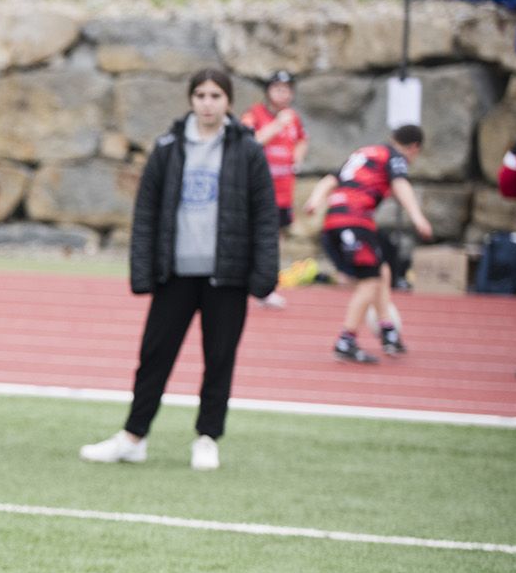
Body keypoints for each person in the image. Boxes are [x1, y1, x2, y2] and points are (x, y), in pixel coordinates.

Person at [80, 69, 278, 472]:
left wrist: (264, 274)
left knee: (219, 358)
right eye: (200, 95)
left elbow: (264, 216)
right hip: (175, 274)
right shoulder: (168, 147)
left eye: (216, 95)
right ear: (190, 99)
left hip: (227, 275)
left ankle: (207, 438)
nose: (207, 103)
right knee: (154, 356)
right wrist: (143, 271)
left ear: (228, 101)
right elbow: (146, 212)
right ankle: (134, 437)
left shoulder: (247, 150)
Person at [302, 126, 434, 363]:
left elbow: (331, 179)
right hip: (353, 221)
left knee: (381, 271)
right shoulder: (394, 156)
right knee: (370, 281)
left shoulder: (366, 152)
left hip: (338, 221)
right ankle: (347, 340)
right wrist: (418, 217)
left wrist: (315, 200)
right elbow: (400, 185)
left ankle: (387, 330)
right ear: (414, 147)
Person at [240, 70, 307, 310]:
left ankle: (266, 286)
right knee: (250, 236)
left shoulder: (294, 118)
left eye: (287, 90)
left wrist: (298, 157)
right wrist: (278, 124)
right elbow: (250, 142)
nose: (283, 94)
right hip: (257, 189)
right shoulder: (254, 114)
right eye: (277, 89)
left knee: (275, 239)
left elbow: (302, 139)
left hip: (283, 190)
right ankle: (244, 282)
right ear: (268, 91)